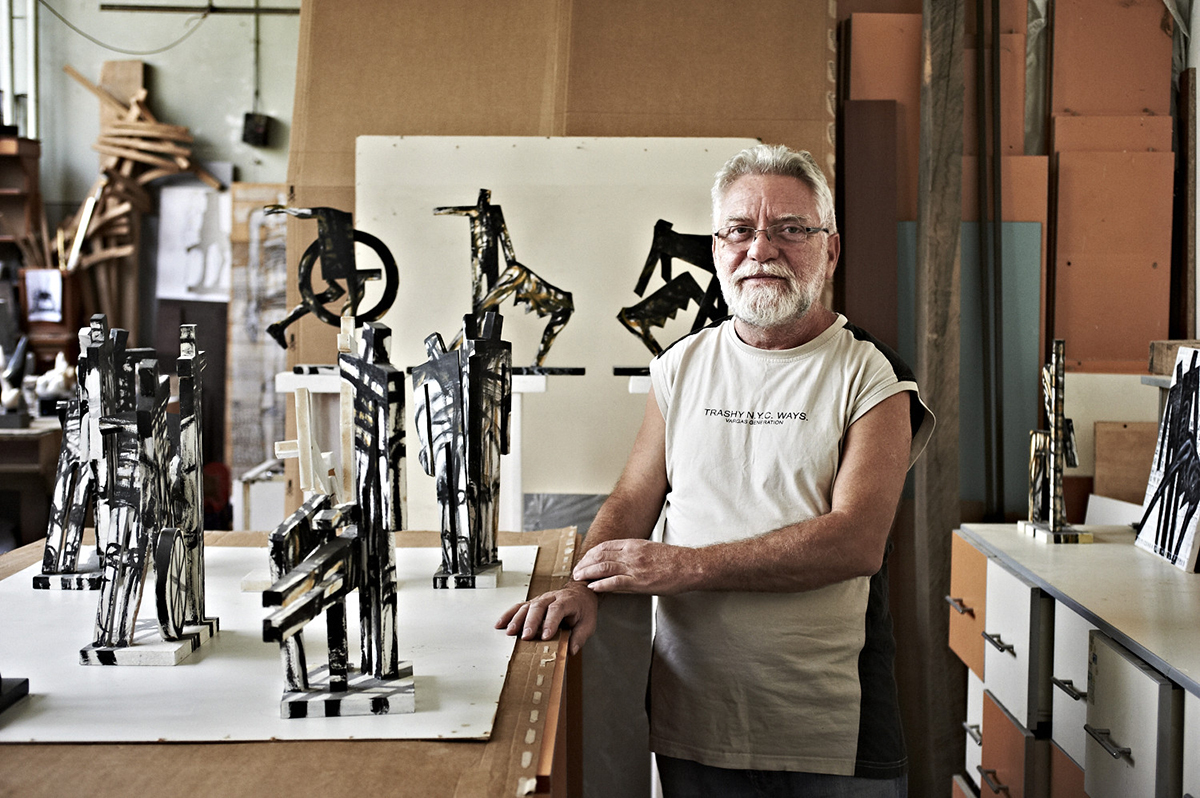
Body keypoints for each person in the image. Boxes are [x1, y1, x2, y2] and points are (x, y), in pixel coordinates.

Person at [497, 143, 934, 798]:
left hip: (829, 729)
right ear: (716, 248)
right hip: (694, 718)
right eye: (739, 230)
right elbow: (634, 496)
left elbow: (856, 541)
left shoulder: (874, 375)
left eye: (791, 229)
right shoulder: (681, 365)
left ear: (830, 250)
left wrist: (685, 566)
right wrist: (582, 586)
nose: (761, 250)